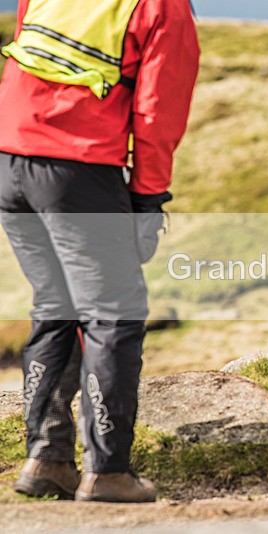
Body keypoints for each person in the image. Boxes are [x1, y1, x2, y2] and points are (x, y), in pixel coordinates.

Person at [0, 0, 199, 502]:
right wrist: (147, 200)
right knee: (113, 315)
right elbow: (158, 111)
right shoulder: (164, 7)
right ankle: (108, 472)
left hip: (10, 160)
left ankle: (47, 459)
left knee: (55, 306)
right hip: (78, 167)